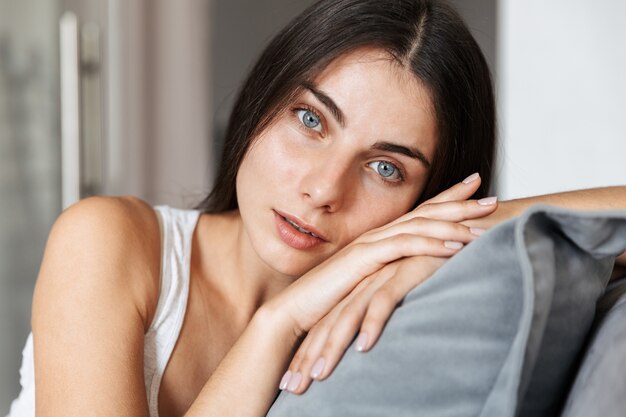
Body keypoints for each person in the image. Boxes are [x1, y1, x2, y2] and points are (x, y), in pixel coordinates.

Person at [7, 0, 626, 416]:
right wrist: (274, 326)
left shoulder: (387, 306)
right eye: (311, 120)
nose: (325, 188)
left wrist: (466, 224)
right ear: (261, 102)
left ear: (425, 198)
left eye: (386, 168)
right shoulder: (107, 241)